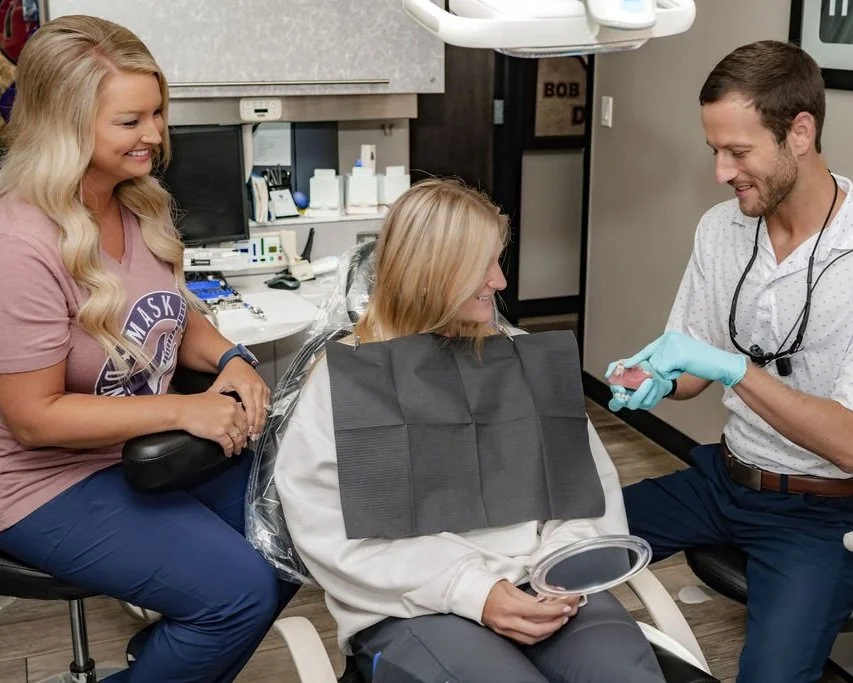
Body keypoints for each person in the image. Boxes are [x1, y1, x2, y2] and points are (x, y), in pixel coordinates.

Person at [0, 16, 298, 682]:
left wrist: (231, 358)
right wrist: (181, 411)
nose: (156, 136)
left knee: (299, 530)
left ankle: (167, 665)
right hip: (40, 480)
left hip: (133, 449)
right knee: (236, 593)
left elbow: (166, 314)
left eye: (157, 114)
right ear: (64, 123)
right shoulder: (19, 243)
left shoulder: (136, 203)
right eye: (130, 121)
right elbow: (34, 415)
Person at [274, 179, 666, 683]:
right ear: (431, 271)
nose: (500, 282)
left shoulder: (523, 359)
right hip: (411, 605)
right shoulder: (348, 384)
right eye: (484, 264)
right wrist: (474, 591)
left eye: (498, 261)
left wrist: (562, 567)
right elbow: (333, 535)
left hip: (548, 581)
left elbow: (584, 492)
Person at [606, 40, 853, 683]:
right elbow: (692, 371)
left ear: (800, 132)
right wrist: (658, 377)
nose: (721, 171)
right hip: (725, 478)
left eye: (738, 152)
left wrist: (735, 370)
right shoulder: (722, 230)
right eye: (714, 150)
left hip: (822, 511)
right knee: (554, 549)